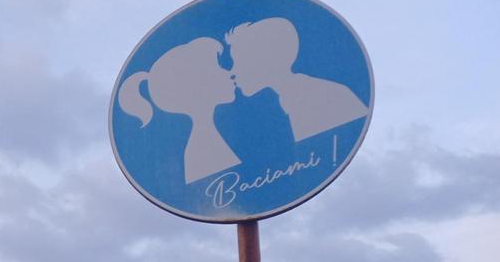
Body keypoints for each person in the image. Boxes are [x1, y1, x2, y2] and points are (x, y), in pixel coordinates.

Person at [118, 37, 239, 184]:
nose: (229, 72)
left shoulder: (205, 138)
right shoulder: (204, 145)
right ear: (197, 84)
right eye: (218, 67)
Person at [225, 17, 368, 141]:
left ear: (266, 60)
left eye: (239, 62)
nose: (232, 72)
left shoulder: (330, 97)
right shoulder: (291, 99)